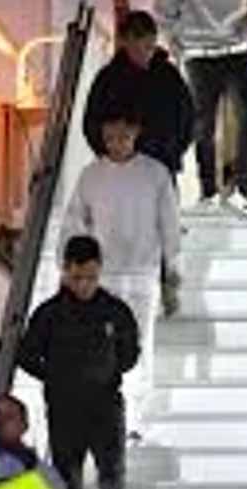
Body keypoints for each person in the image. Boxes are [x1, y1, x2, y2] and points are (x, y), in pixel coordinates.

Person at [17, 235, 139, 489]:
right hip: (64, 410)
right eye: (77, 277)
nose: (84, 284)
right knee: (69, 488)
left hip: (105, 408)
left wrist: (106, 373)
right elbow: (27, 355)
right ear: (65, 271)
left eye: (91, 277)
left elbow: (130, 354)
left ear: (99, 271)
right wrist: (56, 377)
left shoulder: (115, 311)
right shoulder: (48, 314)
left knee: (112, 483)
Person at [61, 105, 179, 438]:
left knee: (139, 343)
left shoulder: (155, 174)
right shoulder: (91, 175)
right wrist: (68, 267)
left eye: (123, 136)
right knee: (102, 345)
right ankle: (107, 413)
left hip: (142, 272)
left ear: (136, 133)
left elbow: (169, 224)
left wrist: (172, 271)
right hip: (103, 274)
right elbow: (74, 222)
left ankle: (136, 415)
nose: (116, 143)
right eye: (110, 137)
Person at [155, 0, 247, 213]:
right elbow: (164, 11)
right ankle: (212, 189)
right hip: (202, 51)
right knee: (207, 124)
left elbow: (164, 12)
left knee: (241, 120)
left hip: (231, 48)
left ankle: (239, 187)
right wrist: (179, 41)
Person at [84, 10, 196, 180]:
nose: (145, 54)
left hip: (163, 166)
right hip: (122, 170)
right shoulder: (109, 79)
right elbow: (92, 124)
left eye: (149, 47)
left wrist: (174, 152)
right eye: (137, 48)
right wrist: (111, 156)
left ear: (155, 41)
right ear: (125, 42)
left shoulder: (169, 76)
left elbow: (188, 118)